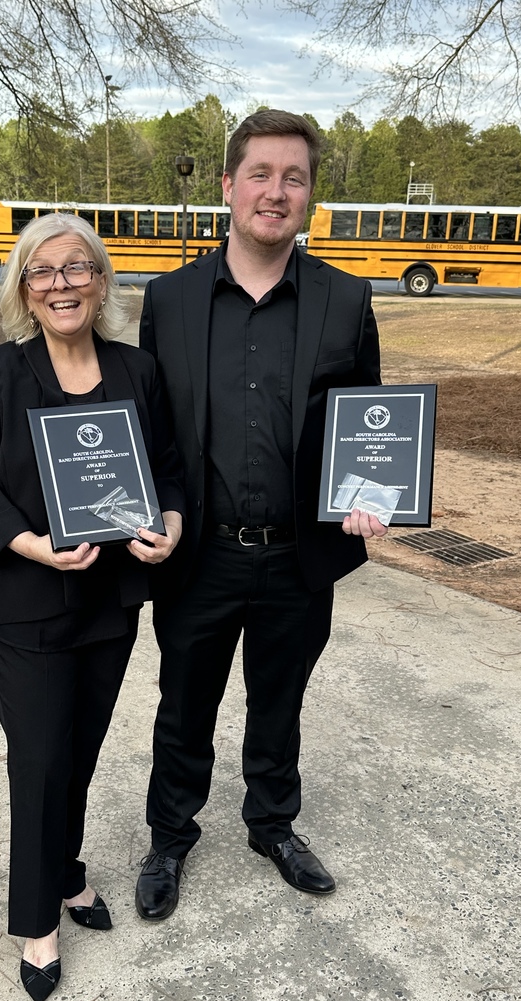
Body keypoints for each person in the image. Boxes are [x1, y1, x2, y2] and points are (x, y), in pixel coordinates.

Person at [134, 109, 387, 922]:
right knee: (185, 702)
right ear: (228, 186)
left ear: (310, 194)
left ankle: (271, 825)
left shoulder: (346, 302)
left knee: (280, 700)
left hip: (297, 556)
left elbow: (369, 421)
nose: (275, 193)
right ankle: (170, 835)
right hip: (199, 553)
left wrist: (370, 494)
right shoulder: (169, 300)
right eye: (261, 175)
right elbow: (153, 431)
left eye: (294, 177)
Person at [0, 214, 184, 1001]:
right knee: (40, 760)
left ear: (101, 280)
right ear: (23, 288)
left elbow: (169, 470)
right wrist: (29, 543)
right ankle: (38, 919)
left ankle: (70, 871)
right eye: (43, 272)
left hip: (109, 602)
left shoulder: (136, 372)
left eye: (76, 268)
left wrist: (171, 524)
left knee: (77, 753)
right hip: (27, 604)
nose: (61, 284)